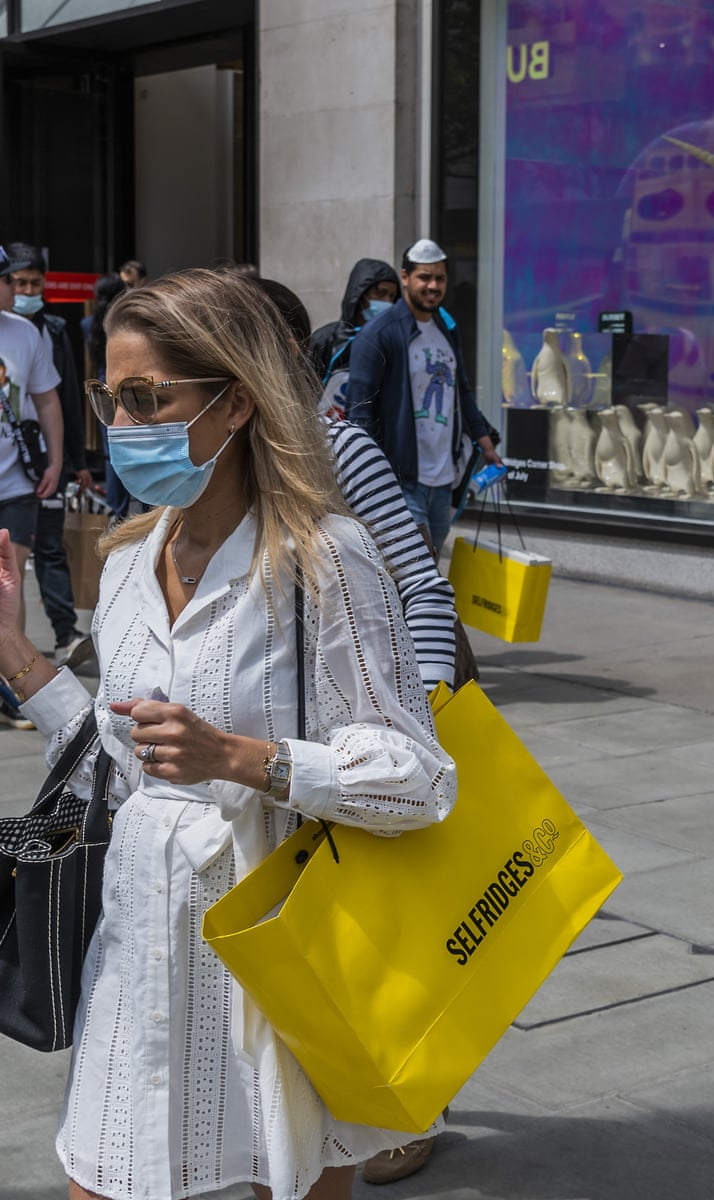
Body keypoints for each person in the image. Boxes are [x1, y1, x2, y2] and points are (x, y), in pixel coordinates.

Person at [0, 268, 456, 1200]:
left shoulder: (327, 559)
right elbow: (117, 760)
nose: (120, 428)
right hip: (135, 943)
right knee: (101, 1175)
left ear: (236, 401)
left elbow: (421, 779)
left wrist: (246, 760)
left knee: (281, 1177)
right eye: (109, 399)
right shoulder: (127, 560)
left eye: (146, 399)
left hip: (271, 953)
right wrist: (15, 657)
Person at [258, 276, 458, 692]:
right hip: (397, 467)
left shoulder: (441, 332)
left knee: (409, 555)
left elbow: (420, 585)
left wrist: (425, 708)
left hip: (409, 472)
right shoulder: (375, 337)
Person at [347, 239, 502, 555]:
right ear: (405, 277)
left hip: (443, 479)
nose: (433, 286)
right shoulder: (379, 334)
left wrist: (485, 441)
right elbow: (359, 415)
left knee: (430, 567)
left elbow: (461, 391)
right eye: (424, 278)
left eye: (440, 278)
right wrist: (375, 479)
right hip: (400, 481)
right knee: (414, 572)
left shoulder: (446, 328)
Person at [7, 242, 94, 667]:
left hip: (29, 470)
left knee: (28, 563)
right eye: (14, 282)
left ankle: (39, 656)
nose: (21, 290)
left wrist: (68, 461)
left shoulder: (43, 332)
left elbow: (57, 402)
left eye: (28, 283)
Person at [0, 244, 63, 728]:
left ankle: (12, 687)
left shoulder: (24, 334)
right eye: (7, 280)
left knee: (10, 583)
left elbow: (46, 402)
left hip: (16, 480)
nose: (12, 289)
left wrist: (57, 460)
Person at [308, 258, 400, 420]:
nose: (387, 302)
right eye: (380, 293)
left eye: (392, 296)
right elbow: (303, 389)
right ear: (360, 294)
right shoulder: (327, 339)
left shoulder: (393, 343)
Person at [83, 272, 132, 520]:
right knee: (133, 440)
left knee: (111, 448)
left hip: (103, 385)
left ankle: (116, 509)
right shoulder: (124, 323)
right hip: (126, 384)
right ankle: (144, 507)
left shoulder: (88, 324)